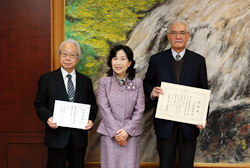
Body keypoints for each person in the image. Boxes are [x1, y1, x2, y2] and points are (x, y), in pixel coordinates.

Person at [143, 20, 209, 168]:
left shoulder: (198, 61)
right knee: (165, 164)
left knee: (187, 164)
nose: (178, 36)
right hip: (165, 123)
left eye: (182, 33)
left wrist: (202, 116)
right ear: (168, 36)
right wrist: (152, 92)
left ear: (188, 37)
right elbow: (146, 84)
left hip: (189, 124)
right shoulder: (157, 60)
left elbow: (204, 90)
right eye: (174, 33)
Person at [34, 39, 98, 168]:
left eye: (72, 55)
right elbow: (39, 104)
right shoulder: (47, 79)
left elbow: (92, 105)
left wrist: (90, 120)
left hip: (78, 139)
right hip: (56, 137)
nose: (68, 58)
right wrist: (48, 118)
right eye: (64, 54)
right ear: (59, 56)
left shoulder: (85, 81)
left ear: (78, 58)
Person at [96, 45, 145, 168]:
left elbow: (140, 109)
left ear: (129, 63)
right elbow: (104, 109)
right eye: (115, 58)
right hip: (109, 135)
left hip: (131, 135)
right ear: (110, 61)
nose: (118, 63)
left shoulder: (138, 83)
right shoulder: (103, 82)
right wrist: (117, 133)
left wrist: (126, 131)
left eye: (123, 59)